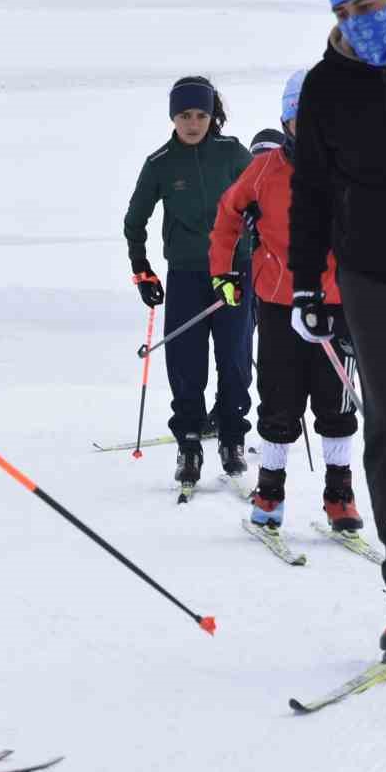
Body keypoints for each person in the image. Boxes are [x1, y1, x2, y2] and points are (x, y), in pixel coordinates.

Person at [289, 0, 386, 657]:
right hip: (372, 274)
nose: (358, 19)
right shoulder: (325, 87)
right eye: (344, 10)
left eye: (368, 3)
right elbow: (309, 192)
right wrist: (308, 282)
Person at [207, 71, 360, 536]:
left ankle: (339, 495)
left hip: (337, 304)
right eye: (301, 119)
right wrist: (224, 271)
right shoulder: (265, 170)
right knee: (279, 399)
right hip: (278, 302)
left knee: (335, 405)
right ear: (287, 122)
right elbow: (227, 215)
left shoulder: (353, 168)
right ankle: (269, 491)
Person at [123, 78, 255, 489]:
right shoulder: (160, 163)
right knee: (185, 364)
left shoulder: (232, 153)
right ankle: (190, 443)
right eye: (185, 116)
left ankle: (232, 438)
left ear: (212, 116)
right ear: (173, 117)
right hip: (186, 274)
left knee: (234, 359)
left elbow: (262, 202)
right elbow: (135, 220)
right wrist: (142, 268)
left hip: (235, 272)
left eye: (200, 115)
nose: (193, 123)